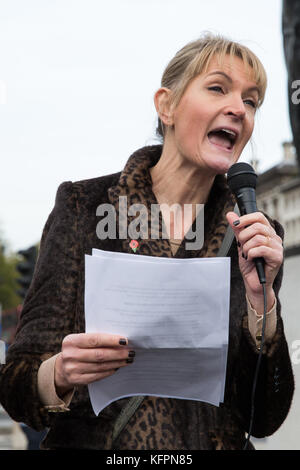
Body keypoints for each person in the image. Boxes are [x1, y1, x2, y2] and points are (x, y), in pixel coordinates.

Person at [0, 33, 295, 450]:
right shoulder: (84, 207)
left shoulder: (252, 236)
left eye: (251, 101)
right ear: (167, 105)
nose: (238, 109)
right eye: (217, 88)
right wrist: (60, 373)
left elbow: (264, 418)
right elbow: (16, 385)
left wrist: (262, 307)